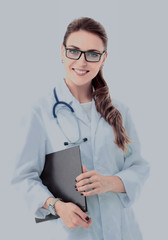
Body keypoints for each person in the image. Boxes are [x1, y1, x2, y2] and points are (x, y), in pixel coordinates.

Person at [12, 17, 150, 240]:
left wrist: (109, 182)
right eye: (74, 51)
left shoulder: (119, 110)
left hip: (125, 231)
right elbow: (22, 178)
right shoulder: (39, 112)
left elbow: (139, 167)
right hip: (72, 233)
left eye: (92, 54)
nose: (82, 61)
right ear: (62, 51)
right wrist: (56, 206)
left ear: (103, 59)